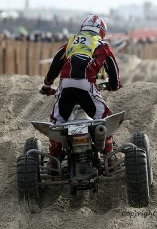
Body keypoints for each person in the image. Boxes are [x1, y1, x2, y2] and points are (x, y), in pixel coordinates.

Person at [39, 14, 121, 168]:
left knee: (56, 122)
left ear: (83, 27)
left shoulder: (70, 42)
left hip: (65, 86)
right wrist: (114, 85)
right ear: (102, 31)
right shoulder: (102, 44)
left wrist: (48, 84)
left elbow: (55, 64)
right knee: (105, 118)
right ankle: (108, 156)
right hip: (86, 85)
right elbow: (114, 70)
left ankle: (53, 161)